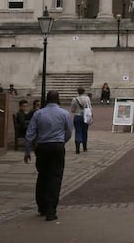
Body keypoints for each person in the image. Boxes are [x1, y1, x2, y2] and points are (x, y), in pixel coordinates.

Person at [24, 90, 73, 222]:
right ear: (58, 99)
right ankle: (51, 210)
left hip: (42, 147)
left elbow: (30, 133)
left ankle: (42, 206)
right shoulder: (64, 113)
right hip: (57, 146)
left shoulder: (38, 113)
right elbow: (69, 132)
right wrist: (62, 141)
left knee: (42, 176)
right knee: (55, 178)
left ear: (47, 99)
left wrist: (27, 150)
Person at [71, 87, 93, 154]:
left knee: (78, 131)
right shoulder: (87, 98)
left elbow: (72, 110)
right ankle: (84, 147)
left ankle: (77, 147)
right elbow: (90, 108)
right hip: (85, 116)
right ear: (84, 91)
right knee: (84, 131)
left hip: (77, 116)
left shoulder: (74, 99)